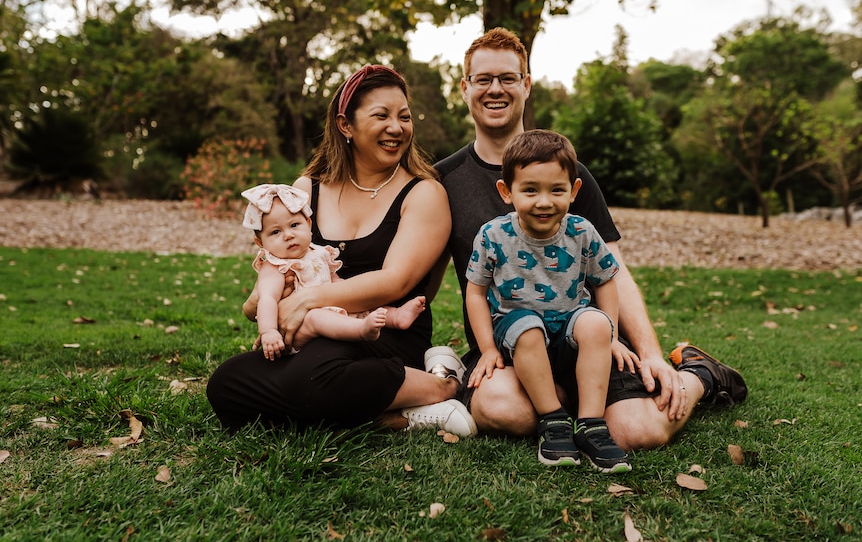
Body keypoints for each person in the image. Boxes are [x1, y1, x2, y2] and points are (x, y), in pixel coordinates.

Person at [433, 27, 747, 451]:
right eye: (483, 78)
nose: (496, 89)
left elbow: (613, 272)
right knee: (501, 410)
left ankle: (699, 373)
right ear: (465, 86)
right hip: (510, 348)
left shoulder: (568, 173)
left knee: (639, 431)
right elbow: (420, 276)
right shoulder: (443, 182)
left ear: (526, 85)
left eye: (508, 78)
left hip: (586, 338)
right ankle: (567, 408)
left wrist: (649, 352)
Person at [207, 64, 476, 437]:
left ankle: (442, 387)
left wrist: (307, 302)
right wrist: (261, 302)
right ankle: (392, 414)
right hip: (314, 336)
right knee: (226, 384)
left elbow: (396, 281)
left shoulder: (423, 193)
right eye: (381, 115)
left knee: (313, 377)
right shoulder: (306, 189)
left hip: (382, 331)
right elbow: (279, 266)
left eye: (404, 117)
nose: (396, 127)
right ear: (345, 125)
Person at [465, 129, 630, 472]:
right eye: (530, 190)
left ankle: (590, 424)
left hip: (570, 322)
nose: (544, 201)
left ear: (574, 191)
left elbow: (606, 281)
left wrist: (611, 336)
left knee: (596, 321)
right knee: (528, 328)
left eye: (557, 190)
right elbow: (476, 292)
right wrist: (488, 349)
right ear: (506, 192)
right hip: (516, 326)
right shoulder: (493, 235)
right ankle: (553, 420)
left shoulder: (582, 232)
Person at [240, 182, 427, 359]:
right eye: (275, 232)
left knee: (359, 301)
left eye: (294, 225)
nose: (288, 235)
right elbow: (267, 299)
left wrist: (347, 293)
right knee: (316, 317)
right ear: (260, 243)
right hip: (299, 326)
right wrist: (269, 331)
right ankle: (361, 330)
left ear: (309, 225)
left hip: (328, 310)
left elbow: (334, 281)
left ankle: (396, 317)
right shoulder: (275, 266)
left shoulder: (318, 253)